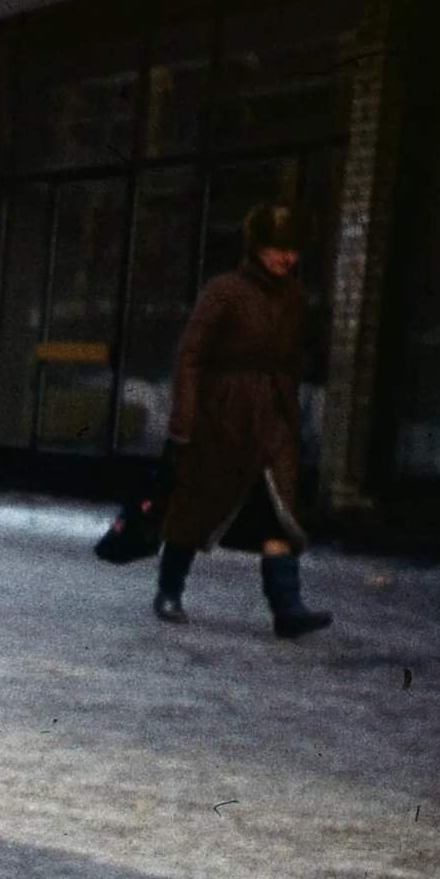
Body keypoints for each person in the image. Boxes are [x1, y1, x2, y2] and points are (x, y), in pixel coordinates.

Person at [153, 202, 334, 639]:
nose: (286, 259)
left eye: (293, 251)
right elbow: (191, 357)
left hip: (273, 414)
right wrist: (184, 421)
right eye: (277, 249)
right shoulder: (224, 290)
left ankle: (287, 609)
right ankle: (169, 591)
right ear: (257, 249)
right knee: (198, 505)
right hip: (223, 414)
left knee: (281, 512)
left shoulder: (293, 296)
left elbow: (293, 358)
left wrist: (291, 408)